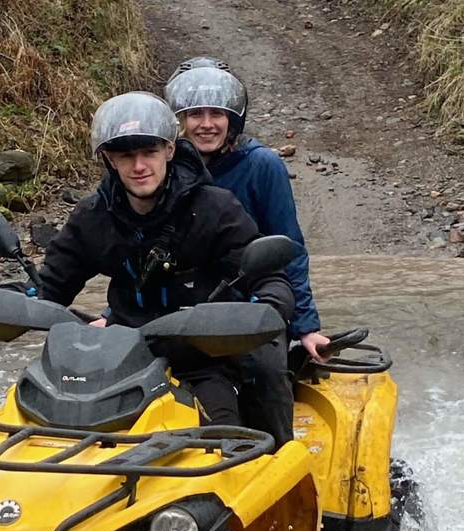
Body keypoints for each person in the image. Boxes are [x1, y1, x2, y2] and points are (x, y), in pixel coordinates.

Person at [39, 91, 294, 426]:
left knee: (244, 407)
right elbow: (51, 286)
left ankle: (279, 453)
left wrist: (269, 304)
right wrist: (19, 303)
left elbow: (267, 275)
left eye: (149, 152)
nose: (140, 166)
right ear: (109, 160)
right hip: (123, 358)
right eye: (126, 155)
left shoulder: (215, 208)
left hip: (205, 357)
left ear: (170, 150)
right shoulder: (92, 215)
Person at [164, 58, 329, 444]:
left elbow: (289, 247)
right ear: (179, 121)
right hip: (181, 312)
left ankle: (281, 466)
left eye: (216, 114)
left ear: (232, 120)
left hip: (254, 307)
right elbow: (145, 248)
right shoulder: (163, 170)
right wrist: (113, 314)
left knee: (267, 379)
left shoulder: (261, 165)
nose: (206, 124)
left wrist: (305, 326)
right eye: (195, 114)